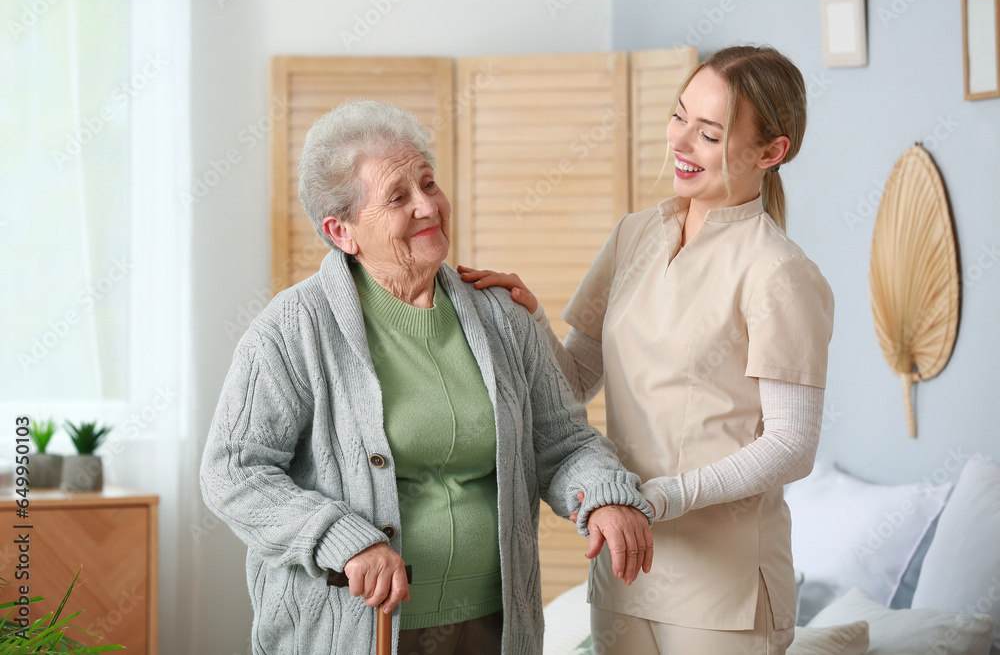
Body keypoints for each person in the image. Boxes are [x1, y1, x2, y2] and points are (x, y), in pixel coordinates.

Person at [199, 99, 655, 655]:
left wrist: (604, 495)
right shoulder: (293, 330)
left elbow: (562, 441)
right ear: (342, 231)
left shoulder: (501, 317)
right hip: (357, 625)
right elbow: (234, 471)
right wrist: (342, 541)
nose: (427, 206)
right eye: (398, 196)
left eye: (429, 182)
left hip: (495, 620)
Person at [460, 45, 835, 653]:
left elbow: (792, 445)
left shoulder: (778, 273)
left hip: (725, 591)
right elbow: (577, 377)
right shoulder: (635, 234)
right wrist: (525, 321)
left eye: (709, 134)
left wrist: (662, 497)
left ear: (772, 152)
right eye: (679, 115)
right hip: (626, 565)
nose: (681, 143)